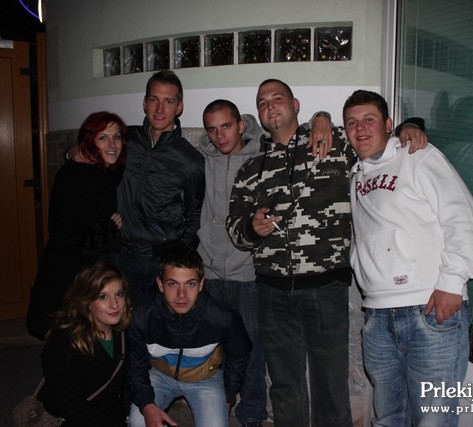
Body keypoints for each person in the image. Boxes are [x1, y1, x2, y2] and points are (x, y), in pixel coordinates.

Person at [226, 79, 427, 427]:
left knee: (330, 388)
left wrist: (409, 127)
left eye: (277, 98)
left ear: (295, 105)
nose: (270, 106)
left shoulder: (334, 146)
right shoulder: (250, 169)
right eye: (262, 102)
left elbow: (377, 143)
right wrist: (251, 229)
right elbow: (235, 229)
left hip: (326, 288)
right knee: (285, 387)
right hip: (272, 292)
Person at [343, 89, 473, 426]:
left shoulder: (418, 155)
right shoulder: (357, 175)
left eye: (369, 120)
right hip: (377, 316)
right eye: (352, 123)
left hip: (429, 311)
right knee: (388, 418)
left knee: (433, 420)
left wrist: (452, 282)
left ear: (388, 124)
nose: (360, 129)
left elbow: (462, 215)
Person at [198, 99, 334, 427]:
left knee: (252, 349)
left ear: (241, 125)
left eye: (226, 126)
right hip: (210, 271)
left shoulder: (262, 154)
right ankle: (215, 406)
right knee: (212, 348)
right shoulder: (203, 158)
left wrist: (321, 116)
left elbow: (300, 134)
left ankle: (252, 414)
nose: (219, 135)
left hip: (247, 272)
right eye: (212, 130)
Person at [127, 242, 252, 427]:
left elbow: (240, 353)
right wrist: (147, 405)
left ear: (201, 284)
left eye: (190, 284)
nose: (182, 295)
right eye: (172, 284)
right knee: (138, 423)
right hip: (158, 376)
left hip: (205, 378)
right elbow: (134, 366)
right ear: (160, 284)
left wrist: (229, 395)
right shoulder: (143, 316)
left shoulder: (221, 316)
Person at [27, 111, 127, 340]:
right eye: (103, 138)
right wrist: (109, 229)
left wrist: (70, 152)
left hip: (87, 270)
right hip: (70, 272)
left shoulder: (104, 170)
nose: (112, 144)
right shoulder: (75, 176)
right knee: (73, 337)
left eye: (117, 137)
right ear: (89, 141)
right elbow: (62, 233)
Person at [116, 69, 205, 308]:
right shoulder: (124, 139)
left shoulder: (191, 159)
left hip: (157, 260)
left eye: (168, 101)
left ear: (179, 107)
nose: (159, 109)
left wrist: (177, 260)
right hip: (117, 253)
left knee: (156, 324)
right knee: (117, 322)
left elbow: (195, 216)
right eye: (154, 99)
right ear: (144, 103)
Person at [37, 260, 132, 426]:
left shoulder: (124, 333)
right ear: (86, 301)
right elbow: (66, 403)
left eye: (119, 294)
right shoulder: (63, 342)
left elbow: (118, 390)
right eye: (103, 297)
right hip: (69, 420)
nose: (115, 305)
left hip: (109, 415)